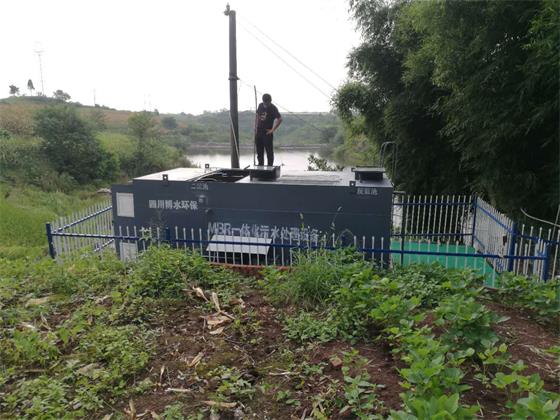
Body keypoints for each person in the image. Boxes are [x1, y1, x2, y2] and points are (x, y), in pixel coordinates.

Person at [255, 93, 282, 166]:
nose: (267, 104)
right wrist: (255, 127)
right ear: (263, 101)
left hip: (267, 132)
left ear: (270, 101)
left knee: (269, 152)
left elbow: (280, 119)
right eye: (266, 103)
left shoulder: (273, 108)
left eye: (269, 102)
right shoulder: (260, 105)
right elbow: (257, 115)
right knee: (259, 151)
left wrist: (272, 130)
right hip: (259, 131)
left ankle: (270, 167)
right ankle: (260, 166)